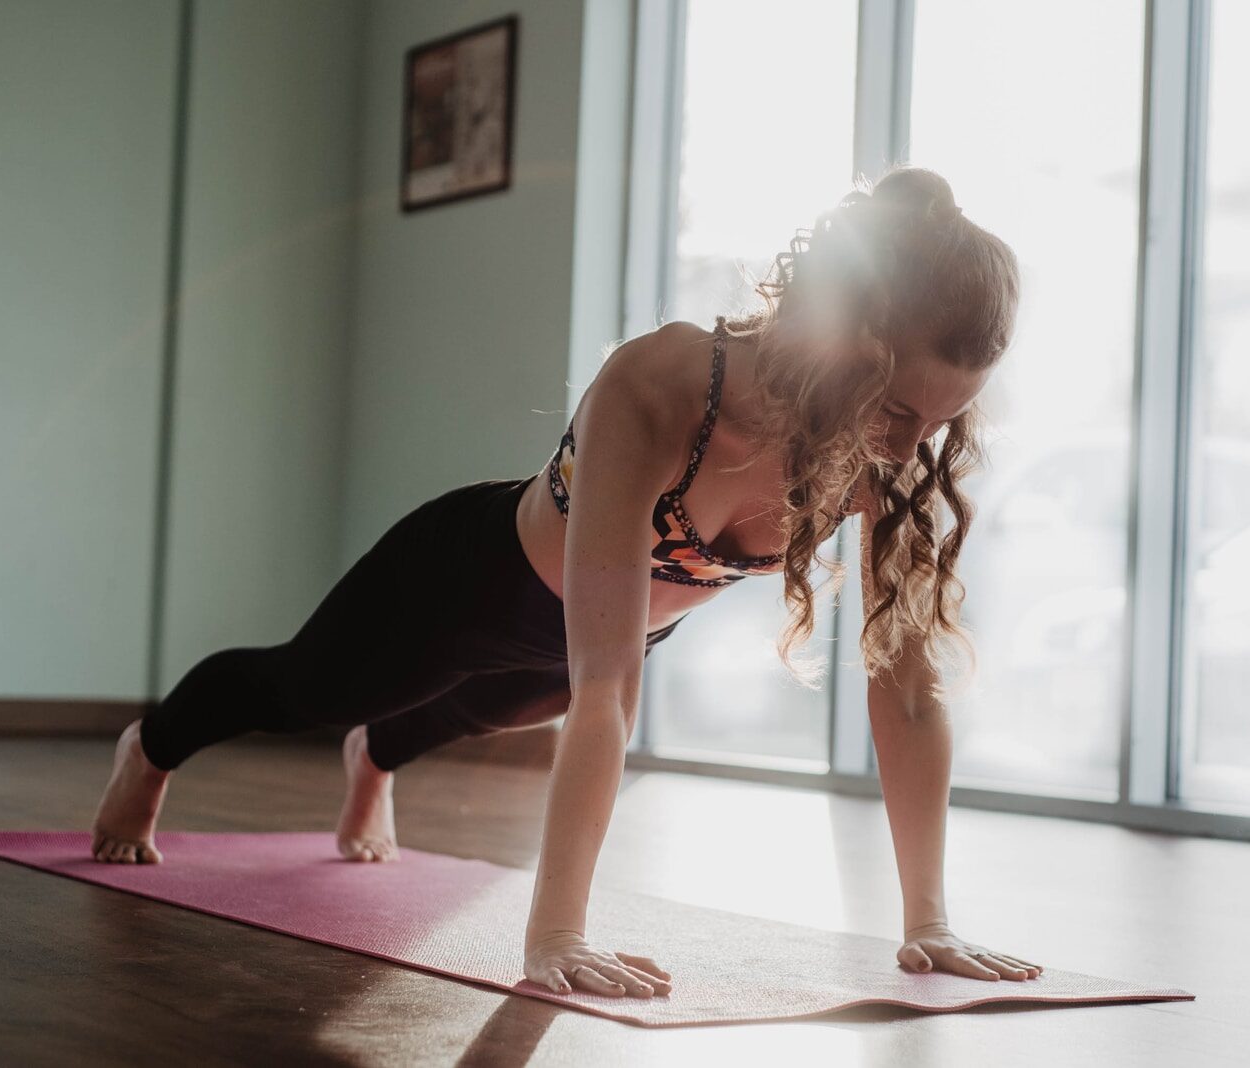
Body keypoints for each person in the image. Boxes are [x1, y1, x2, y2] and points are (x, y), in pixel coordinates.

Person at [90, 164, 1043, 999]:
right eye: (903, 406)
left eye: (942, 422)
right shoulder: (662, 384)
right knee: (307, 688)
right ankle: (152, 749)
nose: (912, 446)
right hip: (462, 582)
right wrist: (555, 936)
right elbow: (608, 690)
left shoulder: (882, 456)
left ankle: (374, 760)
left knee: (474, 714)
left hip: (574, 644)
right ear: (851, 339)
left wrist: (930, 923)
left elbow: (909, 693)